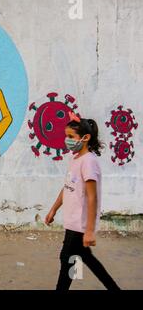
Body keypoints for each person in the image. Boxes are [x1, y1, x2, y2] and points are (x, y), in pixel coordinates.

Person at [45, 112, 120, 290]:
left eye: (71, 136)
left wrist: (89, 231)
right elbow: (67, 187)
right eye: (66, 136)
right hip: (72, 221)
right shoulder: (75, 158)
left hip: (80, 224)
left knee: (67, 259)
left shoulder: (89, 162)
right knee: (83, 258)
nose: (67, 140)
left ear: (85, 138)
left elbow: (92, 197)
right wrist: (53, 210)